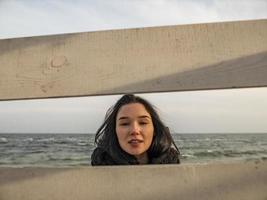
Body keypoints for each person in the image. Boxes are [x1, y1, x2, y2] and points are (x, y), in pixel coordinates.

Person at [91, 94, 180, 165]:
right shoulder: (100, 167)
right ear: (114, 131)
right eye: (125, 123)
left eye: (143, 123)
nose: (134, 130)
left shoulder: (171, 165)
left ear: (155, 130)